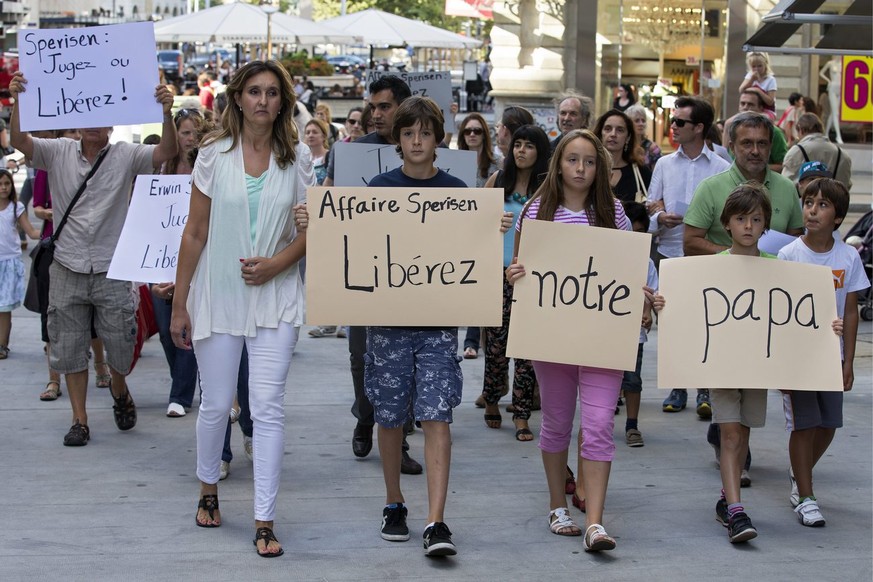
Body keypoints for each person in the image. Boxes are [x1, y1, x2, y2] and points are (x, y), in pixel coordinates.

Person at [169, 60, 311, 557]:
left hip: (276, 297)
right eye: (254, 91)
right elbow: (194, 232)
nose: (263, 101)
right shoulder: (212, 153)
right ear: (237, 98)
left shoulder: (298, 159)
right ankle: (208, 487)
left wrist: (276, 264)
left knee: (268, 408)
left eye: (272, 93)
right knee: (215, 403)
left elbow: (310, 233)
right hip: (219, 294)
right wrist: (180, 304)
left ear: (283, 102)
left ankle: (265, 519)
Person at [361, 95, 513, 557]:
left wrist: (496, 229)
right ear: (397, 139)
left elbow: (473, 250)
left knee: (437, 414)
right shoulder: (378, 189)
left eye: (425, 133)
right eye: (408, 133)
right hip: (387, 324)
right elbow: (353, 242)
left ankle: (436, 519)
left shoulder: (458, 191)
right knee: (389, 417)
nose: (417, 141)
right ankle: (393, 502)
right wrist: (314, 221)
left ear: (437, 138)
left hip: (438, 326)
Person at [9, 71, 178, 447]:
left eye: (100, 115)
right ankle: (80, 420)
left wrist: (167, 111)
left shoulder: (124, 155)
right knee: (68, 348)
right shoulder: (57, 152)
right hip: (67, 265)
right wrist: (17, 98)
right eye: (85, 113)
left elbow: (166, 152)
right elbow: (19, 140)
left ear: (112, 123)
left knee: (121, 344)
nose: (91, 123)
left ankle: (119, 389)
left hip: (112, 267)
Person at [507, 129, 632, 552]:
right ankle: (557, 505)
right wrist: (515, 275)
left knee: (598, 425)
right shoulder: (536, 211)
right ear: (558, 163)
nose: (581, 168)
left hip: (601, 338)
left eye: (590, 161)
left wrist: (646, 294)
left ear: (600, 168)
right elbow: (520, 265)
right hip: (552, 337)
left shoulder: (613, 214)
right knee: (557, 423)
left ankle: (595, 522)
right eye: (573, 159)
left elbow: (629, 274)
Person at [656, 184, 785, 544]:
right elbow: (688, 307)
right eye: (741, 218)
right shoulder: (710, 268)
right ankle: (737, 512)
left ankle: (727, 498)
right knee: (729, 432)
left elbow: (796, 314)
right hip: (722, 364)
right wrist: (667, 304)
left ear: (765, 225)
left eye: (756, 219)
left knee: (743, 431)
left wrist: (827, 325)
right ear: (726, 223)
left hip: (757, 365)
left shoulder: (779, 269)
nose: (748, 226)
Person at [321, 75, 423, 475]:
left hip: (414, 275)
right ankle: (366, 415)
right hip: (363, 273)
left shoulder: (428, 152)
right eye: (372, 106)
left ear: (401, 107)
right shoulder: (349, 153)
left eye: (383, 106)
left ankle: (398, 443)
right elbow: (330, 202)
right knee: (362, 355)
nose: (375, 114)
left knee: (409, 359)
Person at [778, 178, 869, 527]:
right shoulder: (789, 254)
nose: (813, 210)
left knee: (829, 424)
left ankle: (798, 472)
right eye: (808, 203)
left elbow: (850, 311)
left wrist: (848, 362)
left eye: (823, 205)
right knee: (804, 424)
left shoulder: (847, 256)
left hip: (832, 355)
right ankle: (806, 495)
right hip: (799, 356)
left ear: (838, 216)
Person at [647, 96, 730, 416]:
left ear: (699, 128)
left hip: (707, 254)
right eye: (672, 120)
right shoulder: (665, 163)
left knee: (707, 321)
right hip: (670, 251)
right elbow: (651, 204)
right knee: (671, 322)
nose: (673, 127)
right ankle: (678, 386)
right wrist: (660, 218)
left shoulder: (722, 168)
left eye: (680, 122)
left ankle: (705, 389)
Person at [480, 124, 549, 441]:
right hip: (498, 276)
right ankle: (492, 399)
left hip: (533, 280)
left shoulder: (548, 188)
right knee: (496, 348)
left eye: (529, 145)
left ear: (540, 152)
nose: (521, 150)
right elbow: (475, 224)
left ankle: (521, 415)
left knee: (528, 351)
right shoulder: (498, 181)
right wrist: (493, 222)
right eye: (517, 144)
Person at [151, 108, 210, 418]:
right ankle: (186, 380)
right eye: (185, 132)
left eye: (195, 132)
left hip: (195, 261)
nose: (190, 138)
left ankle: (180, 395)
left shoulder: (210, 167)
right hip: (161, 260)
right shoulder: (162, 168)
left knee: (187, 324)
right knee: (165, 330)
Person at [456, 112, 502, 359]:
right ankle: (471, 339)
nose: (472, 135)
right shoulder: (450, 161)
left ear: (486, 134)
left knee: (479, 283)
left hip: (489, 230)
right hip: (461, 230)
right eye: (467, 131)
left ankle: (473, 339)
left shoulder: (498, 164)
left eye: (477, 130)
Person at [618, 201, 657, 447]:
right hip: (607, 331)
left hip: (633, 334)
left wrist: (647, 312)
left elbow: (651, 292)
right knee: (606, 377)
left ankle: (632, 425)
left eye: (641, 234)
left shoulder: (648, 263)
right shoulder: (607, 257)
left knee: (633, 380)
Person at [0, 168, 40, 359]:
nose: (3, 188)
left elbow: (31, 232)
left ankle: (2, 345)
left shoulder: (16, 208)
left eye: (7, 184)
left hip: (9, 262)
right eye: (0, 184)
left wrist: (51, 227)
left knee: (4, 307)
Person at [593, 109, 651, 204]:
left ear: (628, 137)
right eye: (608, 129)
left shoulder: (640, 172)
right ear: (600, 134)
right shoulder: (589, 168)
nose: (613, 134)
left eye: (620, 130)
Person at [722, 89, 788, 171]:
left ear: (760, 108)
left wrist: (755, 167)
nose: (745, 107)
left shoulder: (775, 132)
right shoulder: (731, 128)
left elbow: (783, 165)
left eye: (750, 104)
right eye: (742, 103)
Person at [782, 113, 852, 190]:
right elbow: (846, 186)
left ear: (801, 130)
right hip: (836, 201)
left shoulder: (797, 151)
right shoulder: (843, 155)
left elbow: (785, 184)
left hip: (803, 201)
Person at [738, 52, 777, 120]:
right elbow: (741, 89)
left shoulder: (770, 80)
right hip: (750, 109)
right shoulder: (750, 75)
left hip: (767, 110)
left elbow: (770, 101)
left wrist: (758, 91)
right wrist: (751, 80)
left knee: (763, 119)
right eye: (754, 66)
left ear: (765, 65)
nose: (756, 69)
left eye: (759, 66)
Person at [625, 104, 661, 172]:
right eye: (637, 120)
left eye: (643, 121)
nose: (641, 124)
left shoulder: (653, 148)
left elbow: (657, 176)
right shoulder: (623, 146)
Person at [303, 118, 330, 186]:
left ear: (323, 136)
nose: (310, 135)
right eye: (307, 132)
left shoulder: (330, 157)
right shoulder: (302, 158)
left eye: (315, 132)